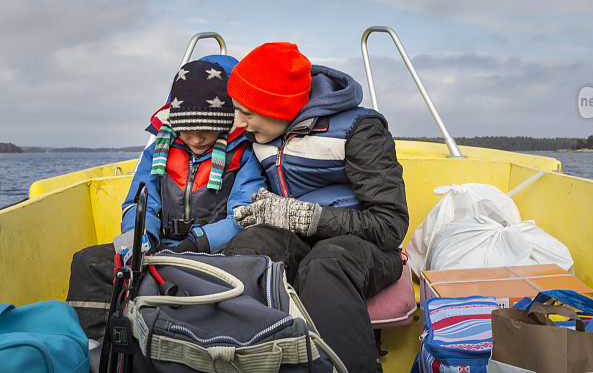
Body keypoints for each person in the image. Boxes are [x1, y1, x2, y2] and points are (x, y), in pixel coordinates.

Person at [222, 42, 409, 372]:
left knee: (325, 265)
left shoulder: (360, 129)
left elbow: (389, 225)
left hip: (364, 247)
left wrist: (301, 216)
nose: (239, 123)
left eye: (247, 113)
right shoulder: (262, 135)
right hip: (298, 241)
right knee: (247, 254)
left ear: (281, 109)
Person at [66, 58, 265, 339]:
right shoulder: (158, 150)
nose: (196, 139)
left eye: (205, 130)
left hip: (214, 254)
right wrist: (140, 240)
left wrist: (195, 242)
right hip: (157, 249)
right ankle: (96, 347)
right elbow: (138, 200)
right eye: (186, 130)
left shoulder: (243, 155)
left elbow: (242, 216)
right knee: (87, 261)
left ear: (224, 122)